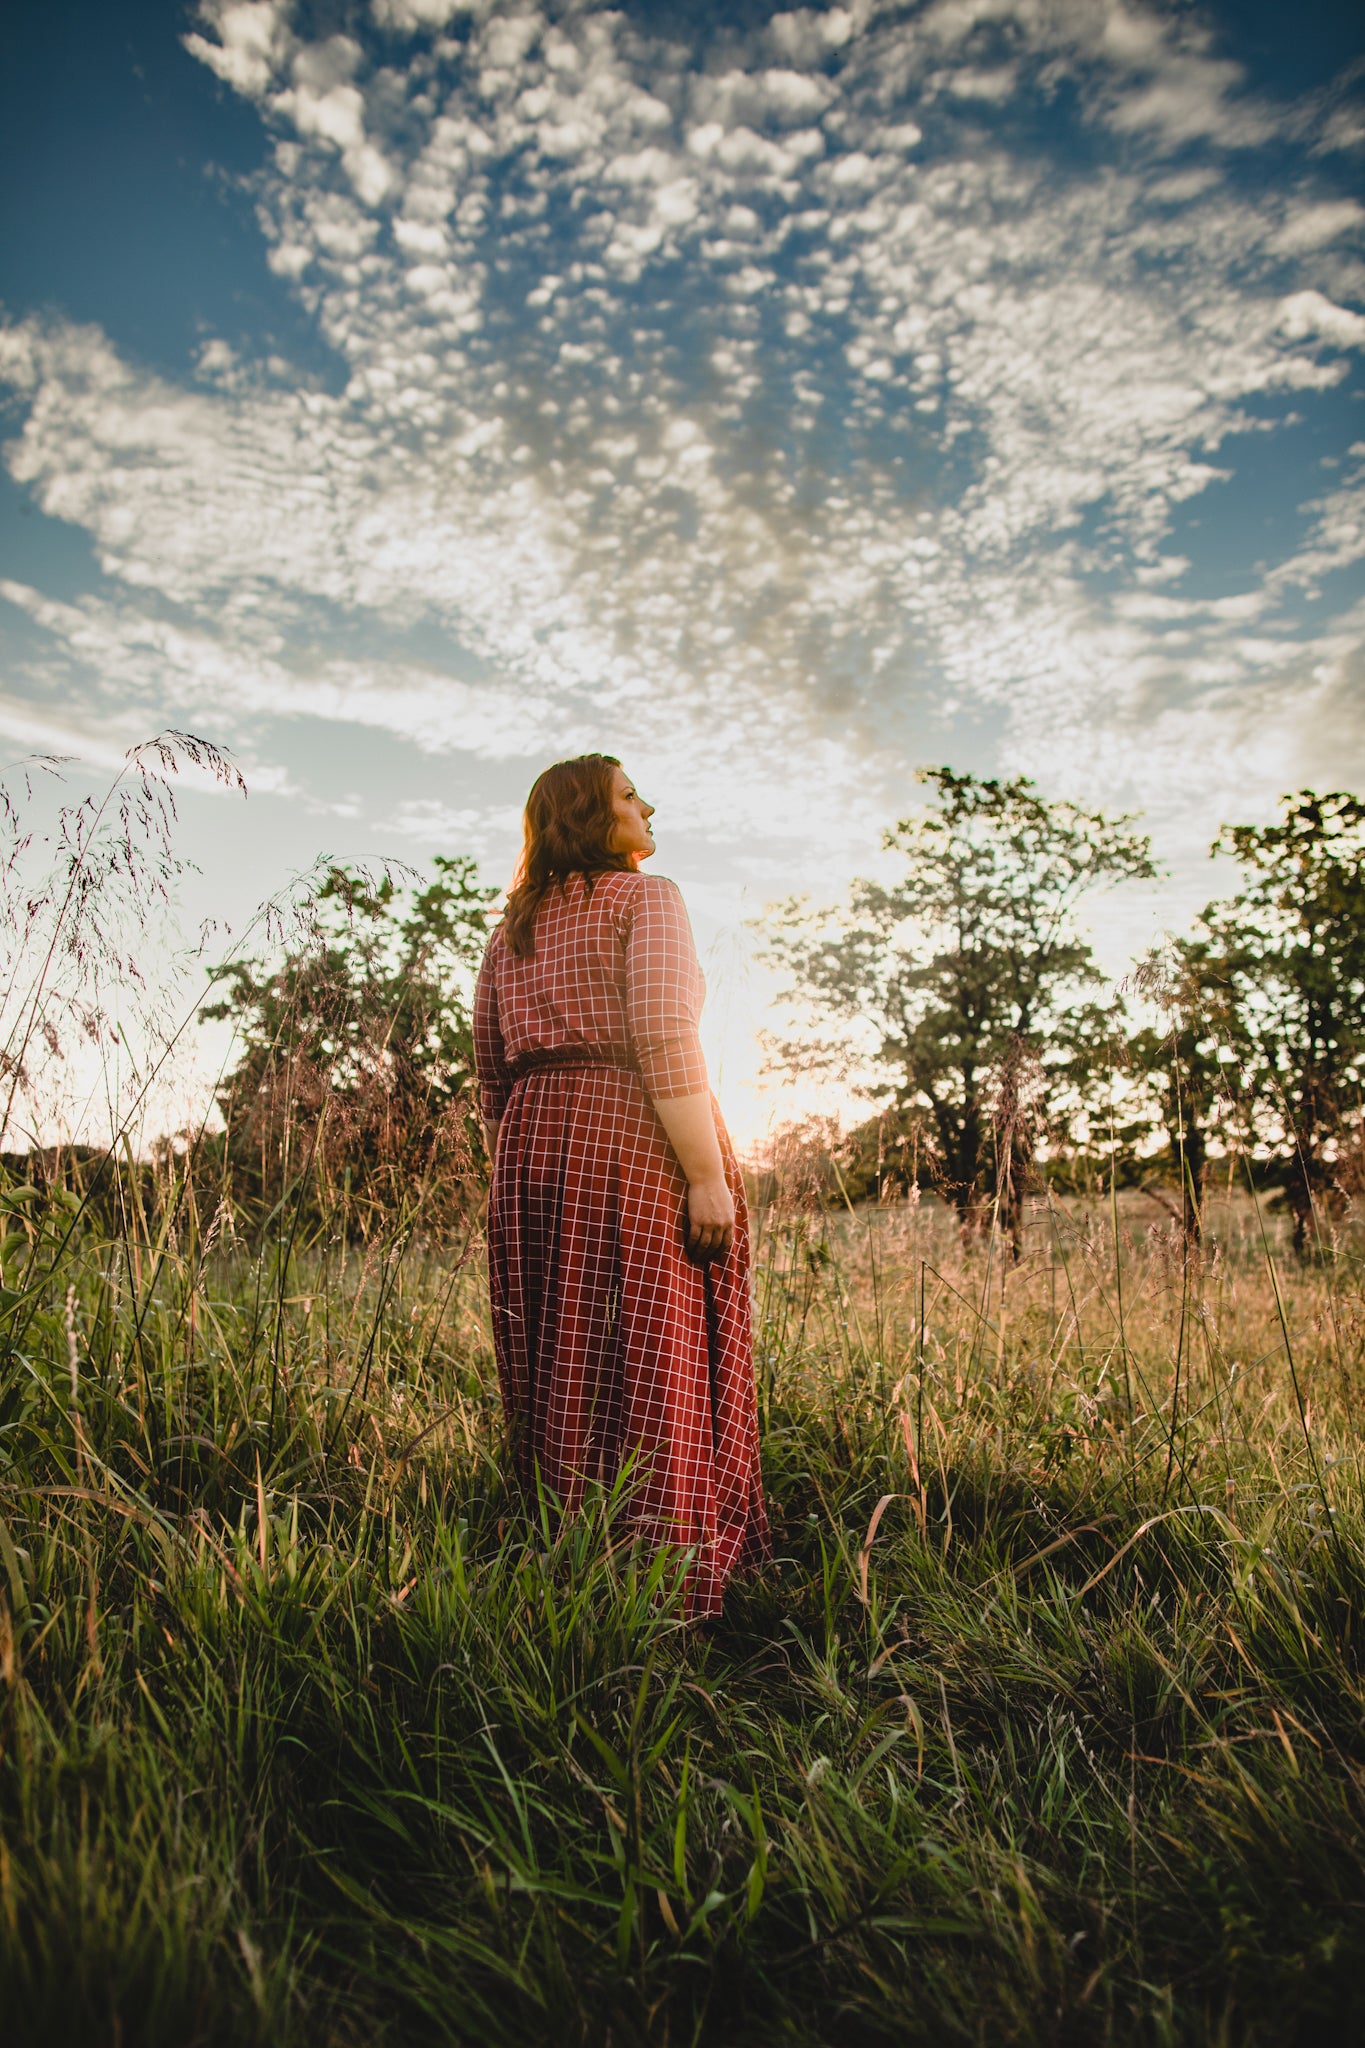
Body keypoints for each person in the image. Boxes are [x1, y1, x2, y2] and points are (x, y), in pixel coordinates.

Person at [472, 753, 771, 1618]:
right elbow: (665, 1037)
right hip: (633, 1134)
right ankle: (675, 1576)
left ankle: (569, 1567)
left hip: (529, 1147)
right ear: (589, 820)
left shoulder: (510, 931)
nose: (648, 805)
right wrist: (705, 1174)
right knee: (655, 1346)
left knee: (561, 1359)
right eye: (629, 796)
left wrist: (529, 1156)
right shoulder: (648, 898)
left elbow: (490, 1071)